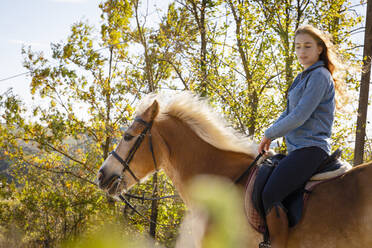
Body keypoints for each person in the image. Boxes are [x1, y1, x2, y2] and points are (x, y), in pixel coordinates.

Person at [258, 25, 348, 248]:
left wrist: (269, 134)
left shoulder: (319, 76)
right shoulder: (301, 78)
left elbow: (300, 116)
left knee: (269, 194)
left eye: (307, 46)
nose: (301, 51)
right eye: (298, 47)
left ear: (319, 49)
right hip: (297, 149)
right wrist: (270, 136)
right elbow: (288, 114)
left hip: (311, 149)